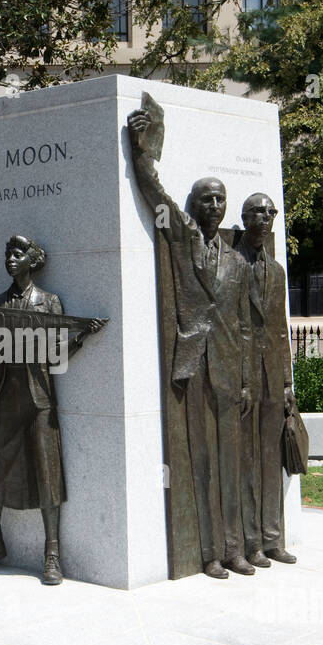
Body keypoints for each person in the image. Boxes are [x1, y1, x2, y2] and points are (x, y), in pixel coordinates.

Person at [126, 108, 257, 578]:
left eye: (220, 200)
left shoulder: (240, 267)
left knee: (230, 463)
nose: (215, 206)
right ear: (193, 205)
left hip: (226, 370)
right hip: (192, 363)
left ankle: (234, 548)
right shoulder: (181, 237)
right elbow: (154, 194)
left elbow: (244, 328)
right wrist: (142, 153)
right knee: (200, 462)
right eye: (206, 199)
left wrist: (245, 381)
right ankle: (206, 552)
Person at [0, 235, 103, 585]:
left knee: (46, 474)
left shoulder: (49, 303)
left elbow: (57, 356)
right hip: (4, 399)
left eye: (18, 254)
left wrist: (80, 337)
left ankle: (51, 553)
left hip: (38, 399)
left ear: (32, 260)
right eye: (8, 253)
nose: (10, 259)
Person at [235, 194, 298, 568]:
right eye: (259, 212)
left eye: (271, 212)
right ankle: (250, 542)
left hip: (273, 376)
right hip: (244, 375)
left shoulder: (276, 271)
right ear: (244, 218)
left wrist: (288, 383)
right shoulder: (232, 265)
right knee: (247, 460)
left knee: (271, 460)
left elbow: (279, 330)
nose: (267, 217)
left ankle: (273, 539)